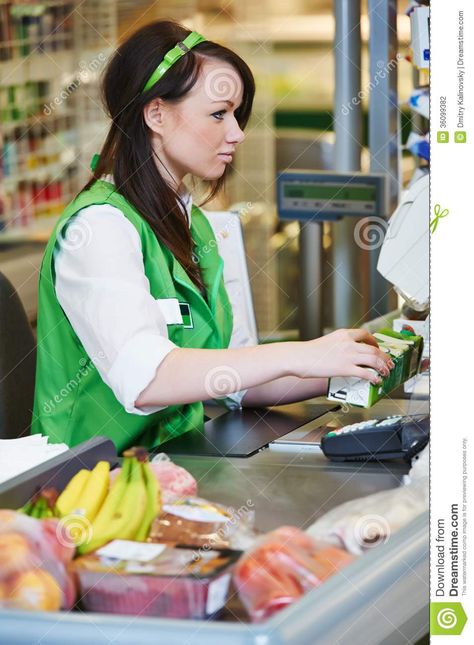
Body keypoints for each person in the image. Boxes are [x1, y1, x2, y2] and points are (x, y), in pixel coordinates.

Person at [32, 20, 393, 452]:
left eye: (236, 115)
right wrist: (302, 353)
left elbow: (233, 384)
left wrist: (349, 370)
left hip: (175, 462)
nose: (237, 133)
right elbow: (146, 378)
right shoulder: (98, 229)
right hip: (90, 486)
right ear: (156, 114)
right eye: (219, 113)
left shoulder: (195, 224)